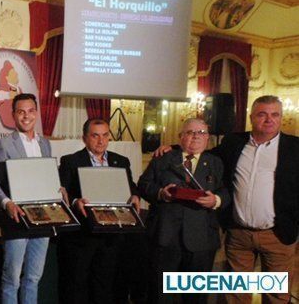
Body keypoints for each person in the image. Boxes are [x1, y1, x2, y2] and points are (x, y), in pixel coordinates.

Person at [154, 95, 298, 304]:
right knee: (235, 296)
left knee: (276, 296)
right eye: (262, 114)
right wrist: (174, 148)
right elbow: (204, 153)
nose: (269, 119)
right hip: (238, 235)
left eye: (275, 114)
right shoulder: (234, 142)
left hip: (277, 234)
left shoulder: (295, 147)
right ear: (251, 117)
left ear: (281, 117)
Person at [139, 118, 229, 304]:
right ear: (181, 137)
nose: (195, 136)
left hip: (201, 239)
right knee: (161, 293)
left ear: (208, 139)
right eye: (190, 132)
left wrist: (216, 200)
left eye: (201, 133)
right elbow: (144, 185)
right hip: (165, 236)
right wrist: (161, 193)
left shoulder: (216, 162)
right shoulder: (162, 159)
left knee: (195, 295)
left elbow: (227, 191)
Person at [56, 118, 139, 304]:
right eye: (95, 136)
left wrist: (135, 196)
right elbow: (63, 192)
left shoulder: (121, 161)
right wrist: (76, 201)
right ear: (84, 138)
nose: (101, 141)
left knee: (105, 285)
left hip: (112, 235)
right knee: (77, 285)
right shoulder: (70, 161)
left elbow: (131, 187)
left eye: (105, 135)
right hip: (82, 236)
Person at [0, 93, 53, 304]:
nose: (26, 116)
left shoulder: (45, 144)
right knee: (12, 280)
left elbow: (46, 178)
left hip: (43, 218)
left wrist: (58, 188)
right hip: (16, 218)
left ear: (36, 113)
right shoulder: (4, 144)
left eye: (30, 111)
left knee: (34, 278)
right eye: (21, 112)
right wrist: (7, 203)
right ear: (13, 115)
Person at [0, 60, 21, 129]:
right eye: (13, 73)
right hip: (9, 125)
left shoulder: (19, 89)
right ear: (6, 77)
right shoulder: (0, 91)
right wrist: (8, 95)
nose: (16, 74)